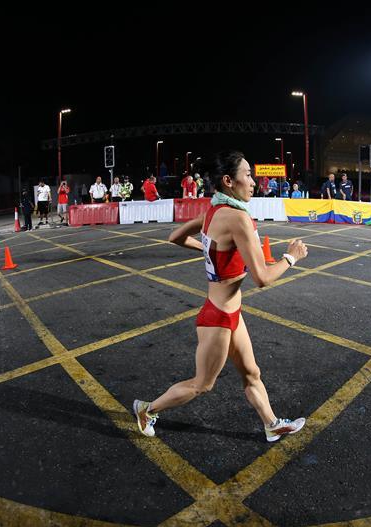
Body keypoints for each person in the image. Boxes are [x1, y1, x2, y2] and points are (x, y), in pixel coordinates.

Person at [132, 150, 308, 442]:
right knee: (202, 385)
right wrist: (291, 257)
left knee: (252, 372)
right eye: (248, 175)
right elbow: (262, 278)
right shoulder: (238, 218)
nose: (254, 181)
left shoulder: (213, 211)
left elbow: (174, 237)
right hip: (217, 317)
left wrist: (211, 249)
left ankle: (271, 423)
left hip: (230, 312)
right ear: (228, 180)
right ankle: (147, 410)